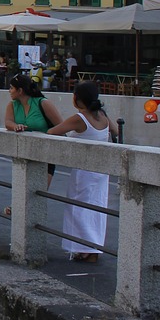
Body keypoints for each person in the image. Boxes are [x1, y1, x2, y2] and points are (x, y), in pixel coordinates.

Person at [47, 81, 113, 263]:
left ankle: (83, 248)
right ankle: (94, 246)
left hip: (84, 170)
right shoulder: (102, 115)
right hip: (101, 170)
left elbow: (53, 131)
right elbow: (114, 130)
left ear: (77, 98)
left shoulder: (80, 118)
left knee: (78, 208)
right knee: (96, 208)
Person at [4, 73, 64, 187]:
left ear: (20, 90)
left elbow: (61, 126)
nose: (9, 91)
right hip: (24, 152)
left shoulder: (43, 103)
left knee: (38, 191)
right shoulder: (12, 105)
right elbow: (8, 122)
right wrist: (15, 126)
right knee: (22, 189)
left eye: (11, 88)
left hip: (46, 153)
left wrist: (47, 133)